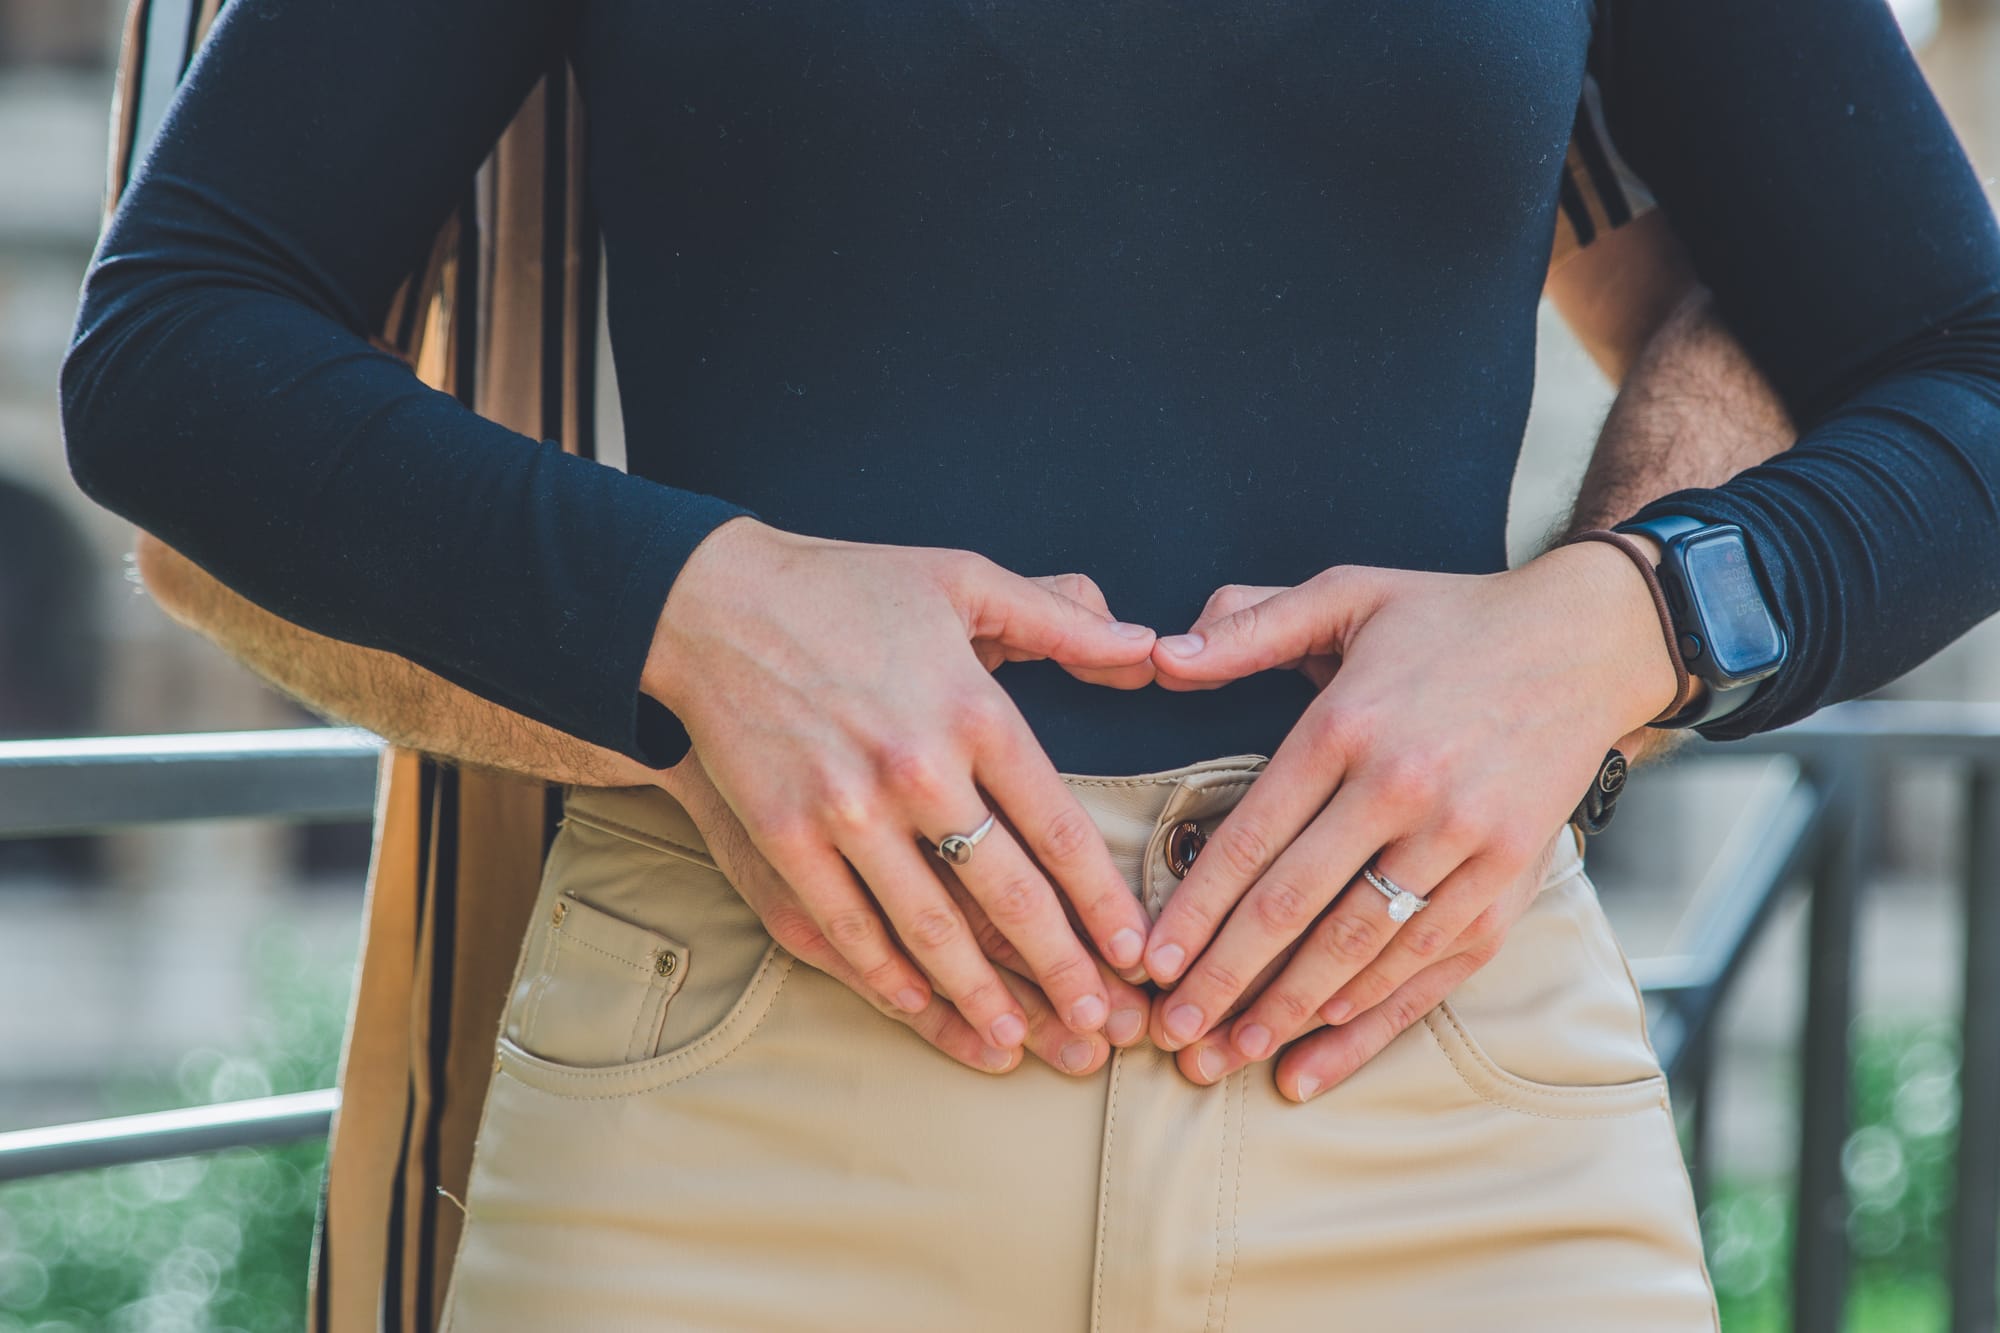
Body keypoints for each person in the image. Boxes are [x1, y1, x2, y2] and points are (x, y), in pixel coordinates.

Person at [60, 0, 2000, 1327]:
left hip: (1442, 1087)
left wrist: (1618, 628)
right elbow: (176, 346)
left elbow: (1953, 365)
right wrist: (690, 611)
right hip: (752, 1091)